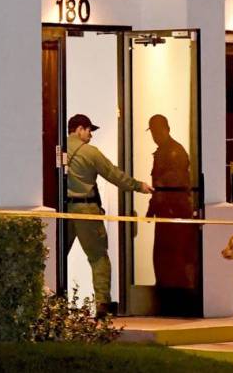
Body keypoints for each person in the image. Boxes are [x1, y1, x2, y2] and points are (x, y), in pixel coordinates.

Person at [65, 114, 153, 319]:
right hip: (87, 211)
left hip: (64, 212)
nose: (90, 135)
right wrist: (138, 186)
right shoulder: (90, 152)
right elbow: (113, 174)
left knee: (56, 258)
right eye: (88, 130)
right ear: (79, 129)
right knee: (98, 258)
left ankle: (49, 302)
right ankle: (102, 305)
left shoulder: (58, 149)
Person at [145, 115, 200, 315]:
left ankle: (177, 304)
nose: (154, 136)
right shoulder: (164, 151)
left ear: (166, 129)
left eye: (156, 131)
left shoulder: (174, 152)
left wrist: (160, 203)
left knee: (174, 259)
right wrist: (153, 207)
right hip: (166, 213)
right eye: (152, 132)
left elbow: (171, 184)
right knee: (163, 259)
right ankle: (167, 301)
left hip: (175, 214)